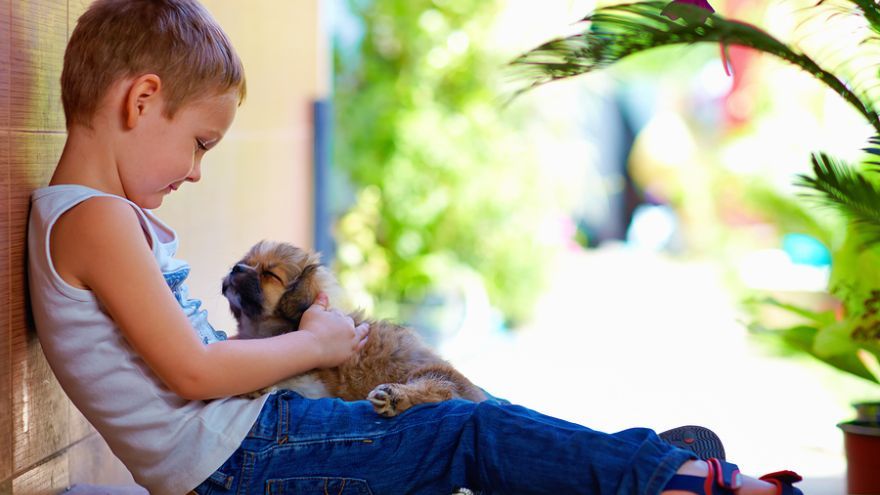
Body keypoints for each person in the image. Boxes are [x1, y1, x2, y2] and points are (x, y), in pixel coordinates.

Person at [27, 1, 803, 494]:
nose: (198, 171)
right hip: (241, 460)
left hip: (245, 445)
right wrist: (315, 340)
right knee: (468, 429)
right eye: (199, 143)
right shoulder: (94, 220)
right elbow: (192, 370)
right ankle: (682, 481)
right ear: (141, 100)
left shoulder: (87, 216)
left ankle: (635, 466)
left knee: (470, 420)